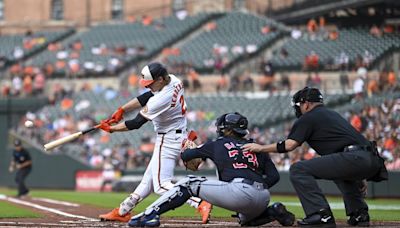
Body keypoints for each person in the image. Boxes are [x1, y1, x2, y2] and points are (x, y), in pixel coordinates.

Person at [242, 87, 388, 227]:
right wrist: (359, 174)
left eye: (299, 105)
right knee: (340, 174)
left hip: (354, 157)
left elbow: (289, 145)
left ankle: (320, 214)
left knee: (298, 169)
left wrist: (261, 148)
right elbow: (350, 144)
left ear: (306, 104)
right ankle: (359, 214)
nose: (298, 109)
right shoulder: (332, 114)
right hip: (370, 158)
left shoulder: (309, 117)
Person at [127, 112, 295, 227]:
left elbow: (186, 157)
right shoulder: (257, 147)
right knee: (245, 220)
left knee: (189, 183)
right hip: (263, 196)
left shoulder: (216, 144)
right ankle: (272, 211)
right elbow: (274, 177)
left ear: (228, 129)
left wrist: (187, 147)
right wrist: (256, 188)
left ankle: (149, 215)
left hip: (239, 192)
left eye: (222, 127)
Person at [98, 62, 212, 223]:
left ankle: (199, 202)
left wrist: (112, 129)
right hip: (177, 135)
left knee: (161, 185)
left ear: (159, 79)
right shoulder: (173, 80)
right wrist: (122, 109)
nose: (148, 87)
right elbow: (146, 96)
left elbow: (136, 123)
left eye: (150, 84)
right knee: (148, 181)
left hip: (168, 139)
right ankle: (123, 210)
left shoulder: (160, 100)